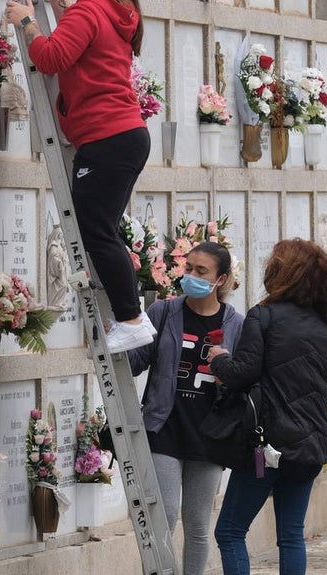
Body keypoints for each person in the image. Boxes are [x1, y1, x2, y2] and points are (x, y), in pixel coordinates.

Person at [5, 0, 153, 353]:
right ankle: (130, 315)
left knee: (96, 231)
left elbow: (52, 58)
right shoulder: (110, 9)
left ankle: (130, 317)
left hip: (107, 137)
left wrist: (26, 20)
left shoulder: (89, 10)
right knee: (100, 229)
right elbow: (81, 35)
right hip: (122, 135)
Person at [206, 238, 327, 575]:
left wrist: (220, 359)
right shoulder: (326, 326)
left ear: (282, 273)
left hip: (267, 446)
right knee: (291, 536)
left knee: (230, 531)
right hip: (309, 446)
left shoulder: (264, 316)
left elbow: (242, 374)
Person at [128, 242, 244, 575]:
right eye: (188, 268)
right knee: (163, 517)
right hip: (164, 427)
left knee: (197, 526)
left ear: (221, 279)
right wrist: (111, 341)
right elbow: (136, 362)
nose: (190, 275)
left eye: (201, 271)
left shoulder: (236, 323)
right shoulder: (164, 313)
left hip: (210, 435)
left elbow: (243, 377)